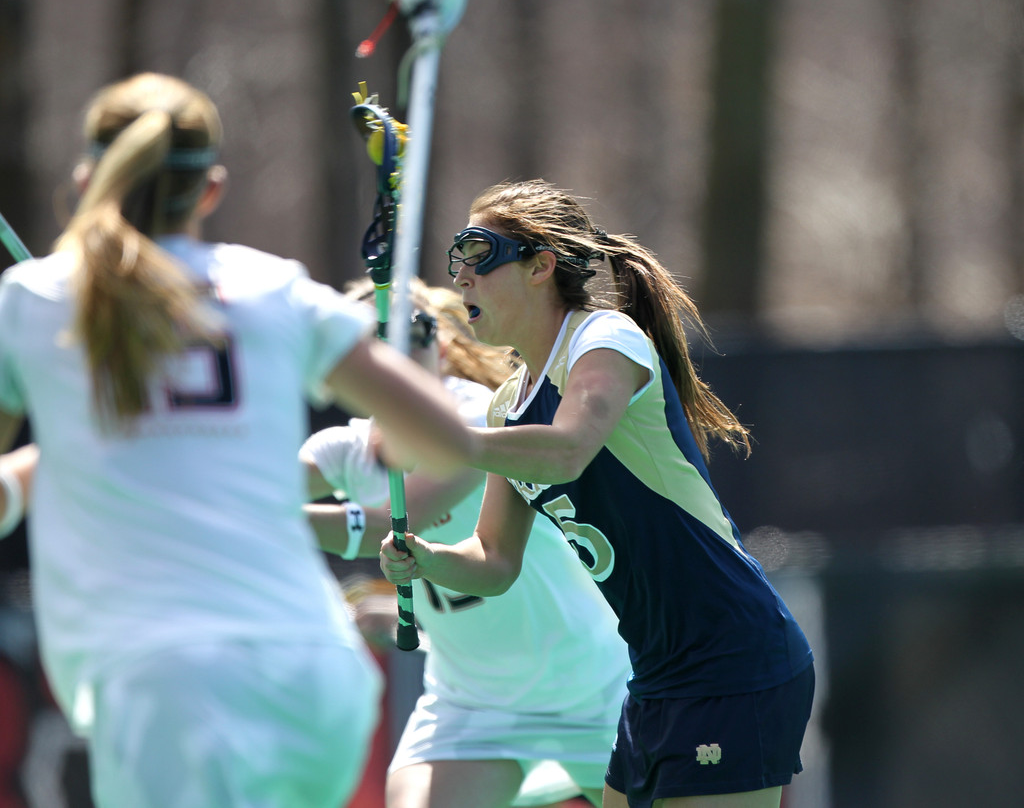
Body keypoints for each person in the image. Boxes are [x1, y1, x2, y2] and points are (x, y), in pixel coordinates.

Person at [0, 72, 477, 808]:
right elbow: (450, 442)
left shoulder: (34, 299)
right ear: (212, 189)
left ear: (89, 176)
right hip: (318, 676)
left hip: (168, 686)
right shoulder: (275, 287)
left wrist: (25, 480)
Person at [381, 180, 815, 808]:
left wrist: (454, 442)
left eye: (479, 254)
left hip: (733, 659)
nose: (463, 279)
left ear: (540, 266)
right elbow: (494, 561)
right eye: (457, 260)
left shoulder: (603, 338)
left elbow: (568, 449)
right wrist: (425, 558)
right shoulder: (509, 402)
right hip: (656, 675)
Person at [300, 277, 631, 808]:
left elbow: (400, 516)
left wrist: (265, 512)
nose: (395, 358)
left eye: (412, 337)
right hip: (472, 705)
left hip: (596, 689)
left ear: (444, 346)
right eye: (373, 343)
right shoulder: (346, 447)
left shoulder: (483, 416)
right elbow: (264, 486)